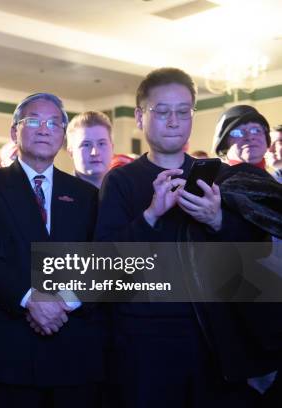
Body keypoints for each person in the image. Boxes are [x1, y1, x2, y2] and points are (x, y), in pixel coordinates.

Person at [95, 67, 279, 407]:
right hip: (144, 342)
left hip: (215, 338)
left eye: (183, 112)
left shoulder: (222, 176)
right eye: (161, 112)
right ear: (139, 116)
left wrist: (218, 220)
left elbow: (258, 251)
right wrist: (151, 215)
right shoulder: (120, 181)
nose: (173, 121)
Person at [0, 93, 105, 407]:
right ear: (15, 131)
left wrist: (64, 303)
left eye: (54, 123)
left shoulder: (84, 194)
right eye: (34, 121)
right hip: (10, 350)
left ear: (62, 135)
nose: (45, 129)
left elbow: (98, 261)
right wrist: (31, 299)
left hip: (73, 348)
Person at [66, 111, 114, 189]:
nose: (95, 153)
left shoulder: (128, 193)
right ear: (71, 152)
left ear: (112, 148)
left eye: (101, 144)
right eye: (86, 145)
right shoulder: (56, 193)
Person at [213, 104, 271, 169]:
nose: (250, 137)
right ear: (224, 144)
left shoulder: (275, 178)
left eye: (256, 130)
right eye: (237, 133)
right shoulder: (218, 178)